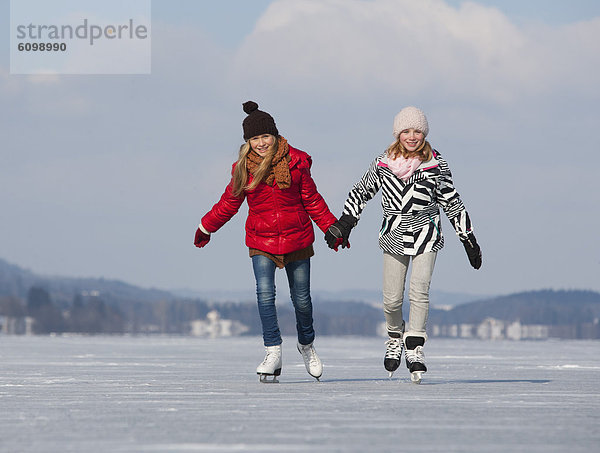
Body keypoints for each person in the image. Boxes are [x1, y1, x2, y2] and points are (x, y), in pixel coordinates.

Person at [325, 106, 482, 383]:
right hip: (394, 235)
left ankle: (415, 347)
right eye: (407, 131)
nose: (412, 136)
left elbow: (452, 201)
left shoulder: (436, 164)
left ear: (425, 134)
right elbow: (361, 191)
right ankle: (396, 336)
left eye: (418, 131)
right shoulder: (383, 163)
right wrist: (345, 223)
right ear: (398, 134)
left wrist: (467, 237)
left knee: (419, 292)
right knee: (392, 299)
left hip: (426, 234)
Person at [194, 101, 340, 382]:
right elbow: (229, 203)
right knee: (265, 295)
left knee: (302, 300)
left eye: (265, 137)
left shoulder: (296, 163)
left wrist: (331, 228)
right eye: (255, 139)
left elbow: (312, 200)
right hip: (261, 239)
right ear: (248, 142)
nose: (261, 143)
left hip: (297, 238)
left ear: (274, 135)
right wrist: (206, 226)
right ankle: (273, 351)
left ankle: (306, 344)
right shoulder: (243, 169)